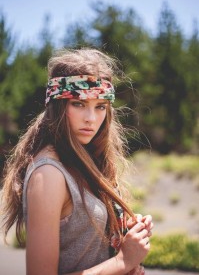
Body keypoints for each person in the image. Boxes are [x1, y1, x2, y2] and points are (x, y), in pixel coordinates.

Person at [1, 48, 153, 275]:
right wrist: (122, 261)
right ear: (57, 105)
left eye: (100, 106)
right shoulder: (49, 174)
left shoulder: (85, 159)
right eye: (79, 104)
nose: (91, 119)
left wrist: (120, 231)